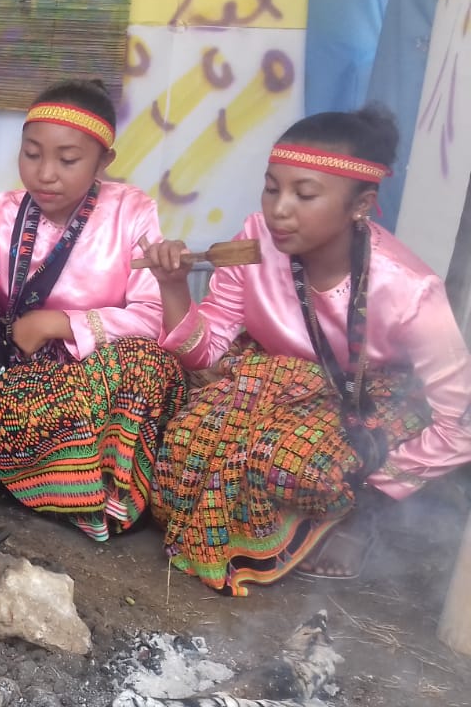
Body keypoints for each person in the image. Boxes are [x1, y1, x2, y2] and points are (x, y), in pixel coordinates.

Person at [143, 105, 471, 595]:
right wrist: (172, 287)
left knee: (294, 462)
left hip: (366, 397)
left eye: (305, 194)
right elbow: (204, 353)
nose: (279, 209)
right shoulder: (253, 242)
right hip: (271, 383)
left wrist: (380, 486)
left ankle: (357, 519)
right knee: (188, 437)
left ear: (361, 205)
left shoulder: (410, 290)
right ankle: (265, 528)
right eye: (272, 188)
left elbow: (460, 421)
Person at [0, 80, 184, 537]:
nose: (45, 173)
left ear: (104, 162)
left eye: (67, 160)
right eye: (31, 154)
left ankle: (102, 494)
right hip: (20, 366)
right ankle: (17, 466)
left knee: (148, 363)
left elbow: (152, 315)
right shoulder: (0, 214)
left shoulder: (130, 212)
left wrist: (62, 324)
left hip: (94, 370)